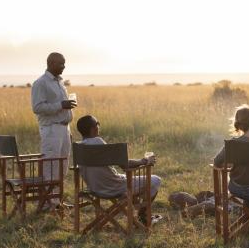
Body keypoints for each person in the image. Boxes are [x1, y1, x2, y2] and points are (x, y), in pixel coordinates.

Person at [76, 115, 161, 225]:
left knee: (131, 180)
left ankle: (140, 211)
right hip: (114, 187)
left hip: (94, 188)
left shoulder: (79, 147)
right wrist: (144, 161)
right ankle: (142, 217)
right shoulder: (97, 142)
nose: (99, 127)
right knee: (156, 180)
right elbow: (125, 165)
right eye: (97, 124)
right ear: (93, 129)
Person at [31, 52, 77, 209]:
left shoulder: (60, 82)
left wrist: (67, 126)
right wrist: (61, 105)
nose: (64, 66)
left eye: (64, 63)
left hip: (64, 129)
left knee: (62, 166)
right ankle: (46, 203)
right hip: (51, 129)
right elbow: (37, 107)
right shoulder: (41, 83)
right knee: (50, 165)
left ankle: (57, 201)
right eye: (60, 63)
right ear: (50, 63)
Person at [213, 104, 249, 206]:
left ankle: (248, 213)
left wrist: (231, 164)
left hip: (237, 189)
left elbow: (216, 162)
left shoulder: (232, 144)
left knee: (246, 179)